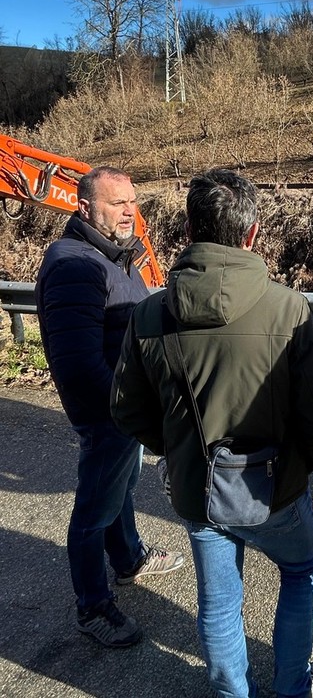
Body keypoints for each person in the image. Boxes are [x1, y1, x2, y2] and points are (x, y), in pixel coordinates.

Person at [111, 170, 313, 698]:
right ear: (254, 232)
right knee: (301, 566)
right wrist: (296, 469)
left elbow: (126, 410)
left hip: (198, 488)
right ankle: (293, 687)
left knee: (218, 600)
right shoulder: (288, 308)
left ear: (188, 228)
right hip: (275, 487)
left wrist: (177, 449)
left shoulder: (150, 313)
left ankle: (232, 694)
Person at [35, 166, 184, 648]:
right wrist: (124, 413)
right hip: (108, 414)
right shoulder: (74, 263)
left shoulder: (115, 257)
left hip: (125, 412)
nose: (128, 211)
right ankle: (92, 606)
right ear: (84, 208)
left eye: (132, 202)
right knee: (94, 508)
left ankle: (128, 560)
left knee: (119, 487)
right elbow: (77, 364)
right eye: (115, 202)